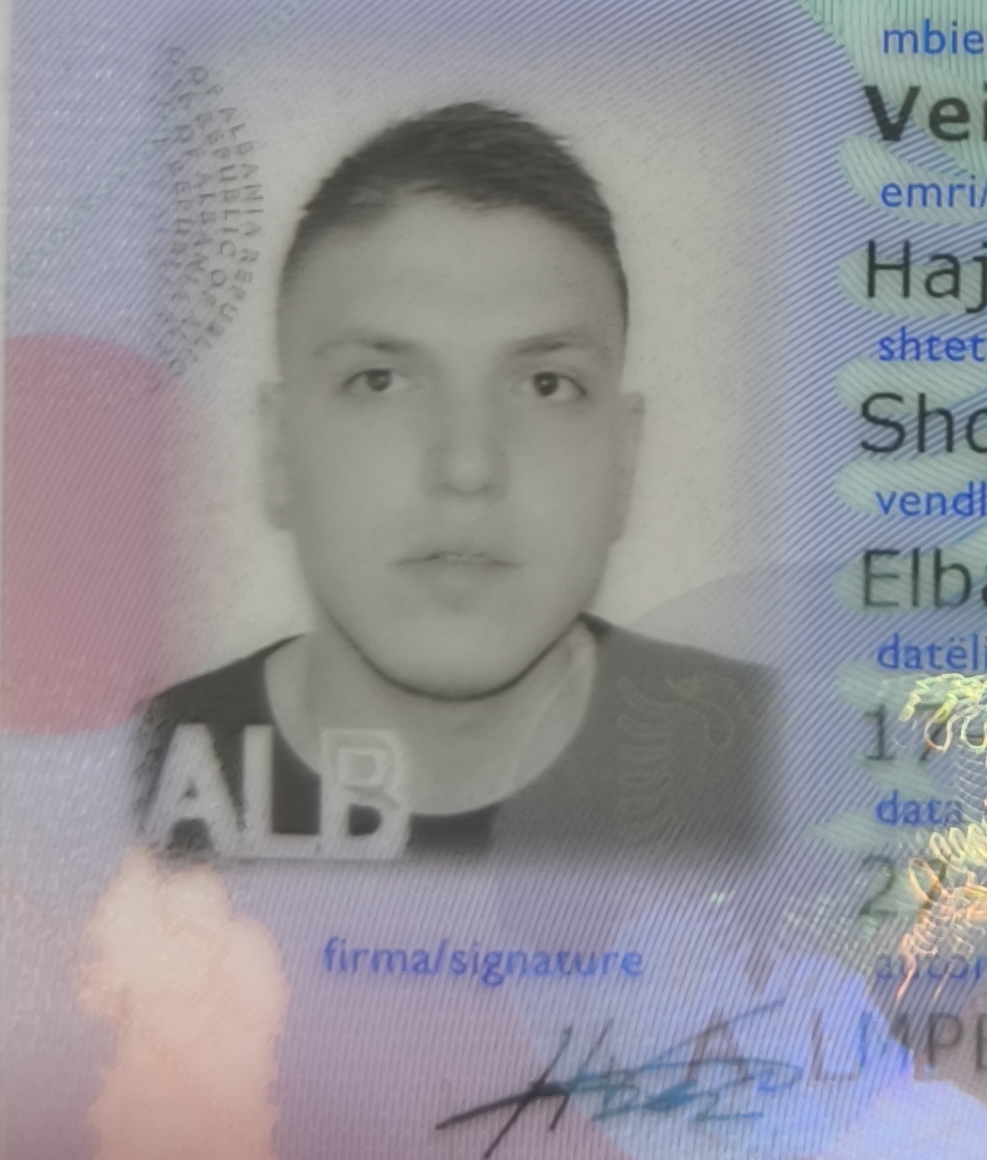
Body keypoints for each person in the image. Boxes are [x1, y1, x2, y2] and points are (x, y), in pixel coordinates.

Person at [137, 102, 771, 859]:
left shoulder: (799, 770)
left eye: (545, 385)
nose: (467, 467)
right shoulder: (117, 785)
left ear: (622, 462)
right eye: (380, 381)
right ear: (279, 453)